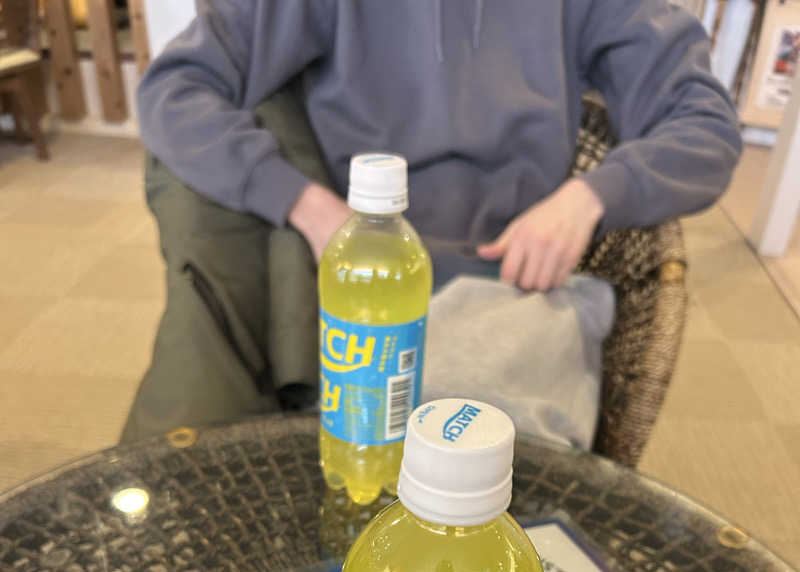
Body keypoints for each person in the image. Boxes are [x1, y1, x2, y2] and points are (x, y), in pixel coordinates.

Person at [121, 0, 741, 442]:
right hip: (353, 295)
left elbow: (705, 127)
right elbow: (175, 88)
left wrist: (591, 196)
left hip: (505, 289)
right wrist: (305, 205)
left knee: (485, 520)